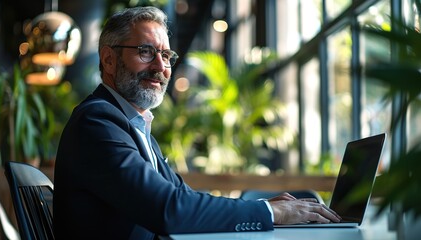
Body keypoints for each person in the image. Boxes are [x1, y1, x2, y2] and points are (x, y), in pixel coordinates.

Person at [53, 6, 341, 239]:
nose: (160, 66)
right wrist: (271, 213)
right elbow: (169, 209)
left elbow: (182, 197)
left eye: (165, 55)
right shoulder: (97, 122)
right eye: (145, 51)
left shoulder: (131, 124)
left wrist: (259, 208)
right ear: (109, 60)